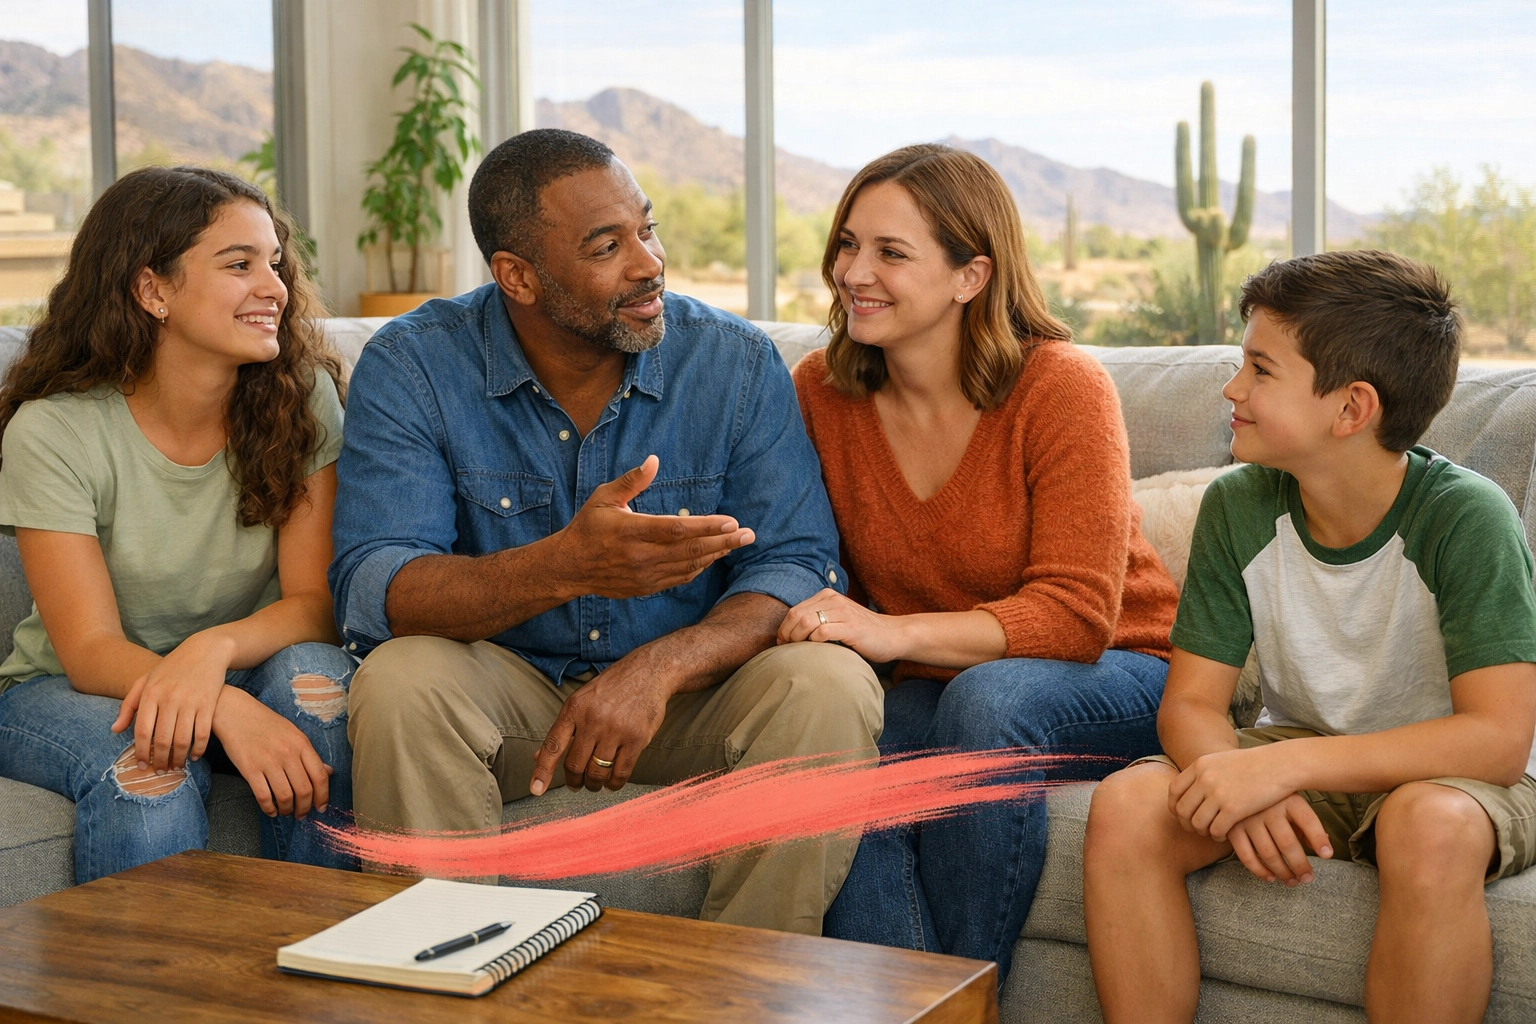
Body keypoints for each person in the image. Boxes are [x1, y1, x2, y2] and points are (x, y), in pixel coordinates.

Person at [332, 128, 882, 935]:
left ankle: (747, 991)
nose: (648, 262)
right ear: (517, 275)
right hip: (514, 698)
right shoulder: (415, 365)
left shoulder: (731, 362)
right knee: (400, 679)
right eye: (606, 246)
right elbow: (379, 586)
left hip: (687, 702)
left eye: (647, 230)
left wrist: (659, 668)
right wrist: (563, 566)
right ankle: (442, 974)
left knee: (829, 686)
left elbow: (799, 564)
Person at [1083, 250, 1536, 1024]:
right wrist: (1236, 782)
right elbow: (1191, 705)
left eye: (1261, 369)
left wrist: (1280, 769)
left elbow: (1495, 739)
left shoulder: (1467, 517)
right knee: (1130, 805)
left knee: (1425, 824)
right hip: (1306, 750)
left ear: (1351, 409)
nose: (1233, 388)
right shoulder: (1239, 506)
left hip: (1455, 776)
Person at [783, 144, 1180, 980]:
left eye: (892, 253)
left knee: (989, 702)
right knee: (846, 735)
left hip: (1124, 669)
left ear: (971, 276)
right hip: (937, 679)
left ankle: (964, 997)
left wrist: (891, 635)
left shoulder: (1060, 387)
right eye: (848, 244)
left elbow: (1076, 617)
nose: (855, 271)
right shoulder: (820, 391)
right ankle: (904, 1001)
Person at [0, 166, 357, 883]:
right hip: (70, 688)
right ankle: (145, 997)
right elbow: (90, 649)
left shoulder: (304, 396)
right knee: (150, 769)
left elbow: (315, 607)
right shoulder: (53, 432)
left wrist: (212, 652)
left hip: (247, 660)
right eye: (238, 264)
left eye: (274, 264)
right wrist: (219, 704)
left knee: (320, 692)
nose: (274, 288)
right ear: (151, 289)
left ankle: (317, 970)